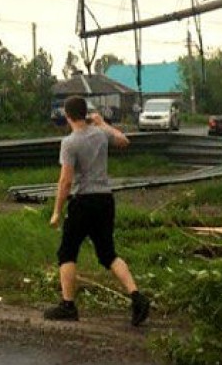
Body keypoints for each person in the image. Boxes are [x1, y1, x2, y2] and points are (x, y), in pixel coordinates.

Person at [46, 95, 150, 326]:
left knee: (67, 252)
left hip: (83, 201)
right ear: (86, 113)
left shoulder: (70, 143)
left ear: (67, 115)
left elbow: (65, 181)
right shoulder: (101, 134)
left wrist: (56, 211)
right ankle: (137, 297)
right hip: (105, 199)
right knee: (107, 253)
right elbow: (124, 141)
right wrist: (102, 124)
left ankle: (68, 305)